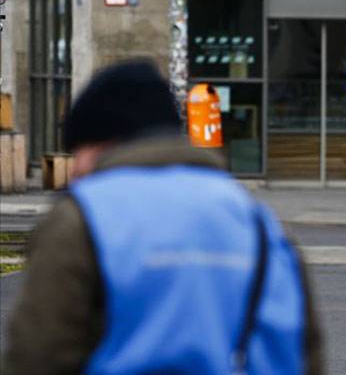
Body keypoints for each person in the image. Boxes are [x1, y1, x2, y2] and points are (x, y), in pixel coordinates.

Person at [3, 61, 323, 374]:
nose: (74, 170)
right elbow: (301, 350)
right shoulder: (258, 222)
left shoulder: (82, 219)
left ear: (104, 144)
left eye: (77, 152)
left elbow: (37, 354)